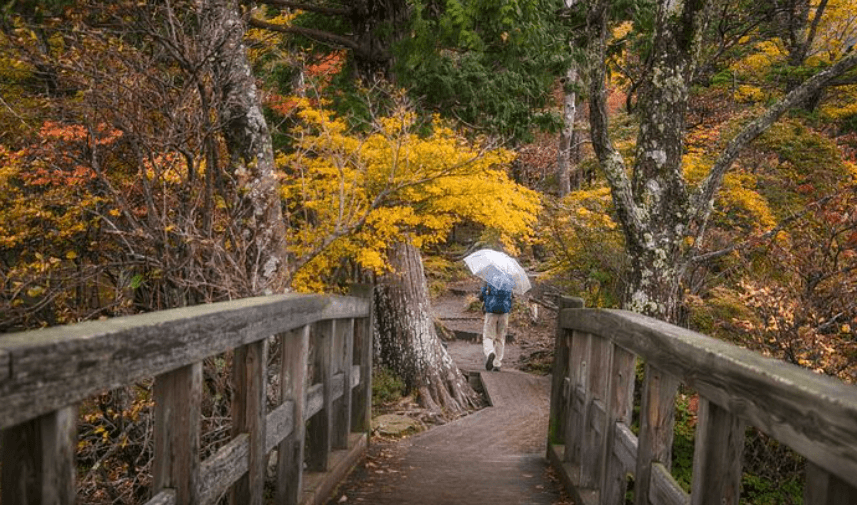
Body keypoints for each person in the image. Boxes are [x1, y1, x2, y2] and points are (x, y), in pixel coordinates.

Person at [479, 281, 513, 371]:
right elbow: (511, 298)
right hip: (504, 313)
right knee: (500, 338)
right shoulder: (508, 279)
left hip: (491, 312)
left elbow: (481, 296)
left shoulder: (489, 279)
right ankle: (497, 363)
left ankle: (490, 352)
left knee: (488, 337)